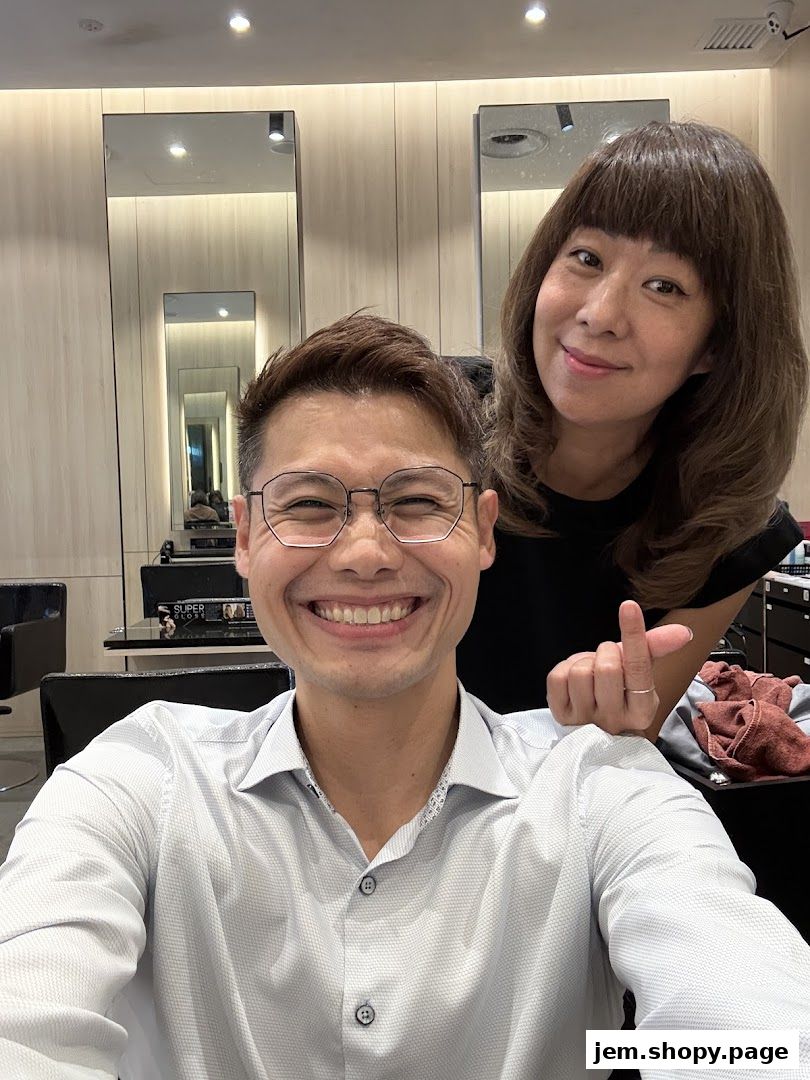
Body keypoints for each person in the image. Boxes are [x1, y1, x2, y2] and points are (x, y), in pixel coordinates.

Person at [1, 315, 809, 1080]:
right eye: (309, 505)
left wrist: (637, 1057)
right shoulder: (139, 784)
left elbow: (758, 1035)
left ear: (483, 531)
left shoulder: (599, 787)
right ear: (245, 537)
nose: (364, 553)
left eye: (417, 502)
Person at [457, 121, 808, 728]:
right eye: (587, 258)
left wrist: (603, 727)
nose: (600, 315)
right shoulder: (442, 416)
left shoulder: (730, 528)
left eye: (664, 286)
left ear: (717, 345)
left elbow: (629, 736)